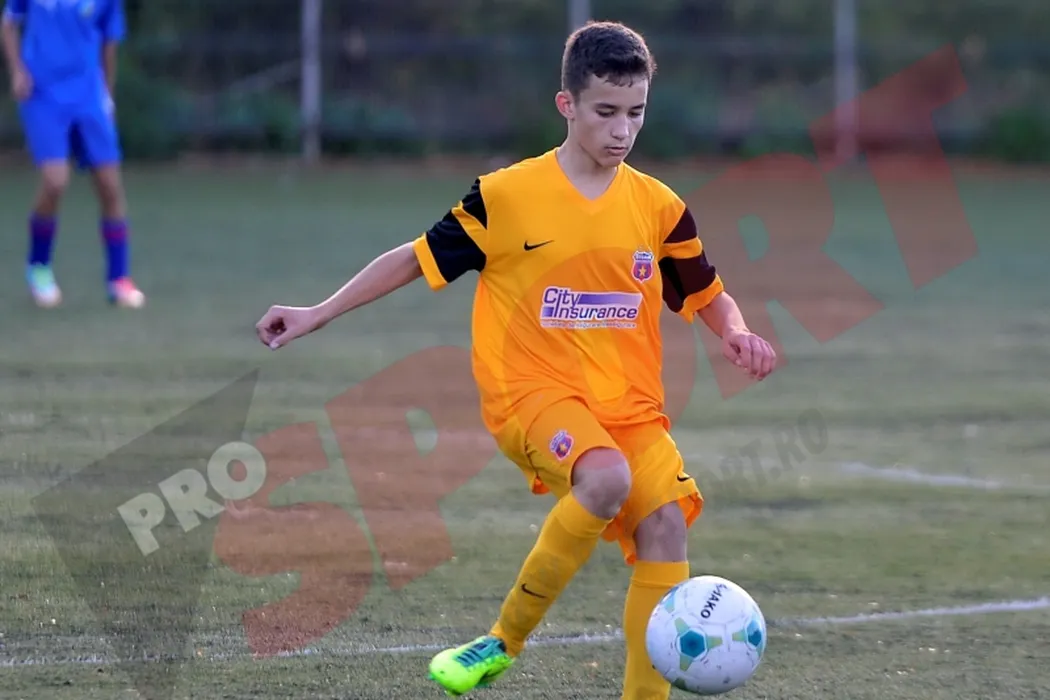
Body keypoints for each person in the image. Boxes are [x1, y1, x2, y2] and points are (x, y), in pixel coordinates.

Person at [255, 20, 777, 700]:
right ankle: (502, 642)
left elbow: (706, 292)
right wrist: (317, 311)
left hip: (631, 407)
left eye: (636, 113)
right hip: (531, 395)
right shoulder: (507, 196)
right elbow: (414, 258)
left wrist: (735, 330)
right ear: (567, 105)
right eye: (606, 112)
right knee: (606, 478)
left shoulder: (660, 208)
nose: (622, 130)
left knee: (665, 525)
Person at [2, 0, 144, 309]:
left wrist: (107, 96)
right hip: (42, 95)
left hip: (89, 95)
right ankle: (39, 268)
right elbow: (8, 23)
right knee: (55, 181)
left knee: (109, 186)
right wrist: (17, 71)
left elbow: (109, 42)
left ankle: (119, 279)